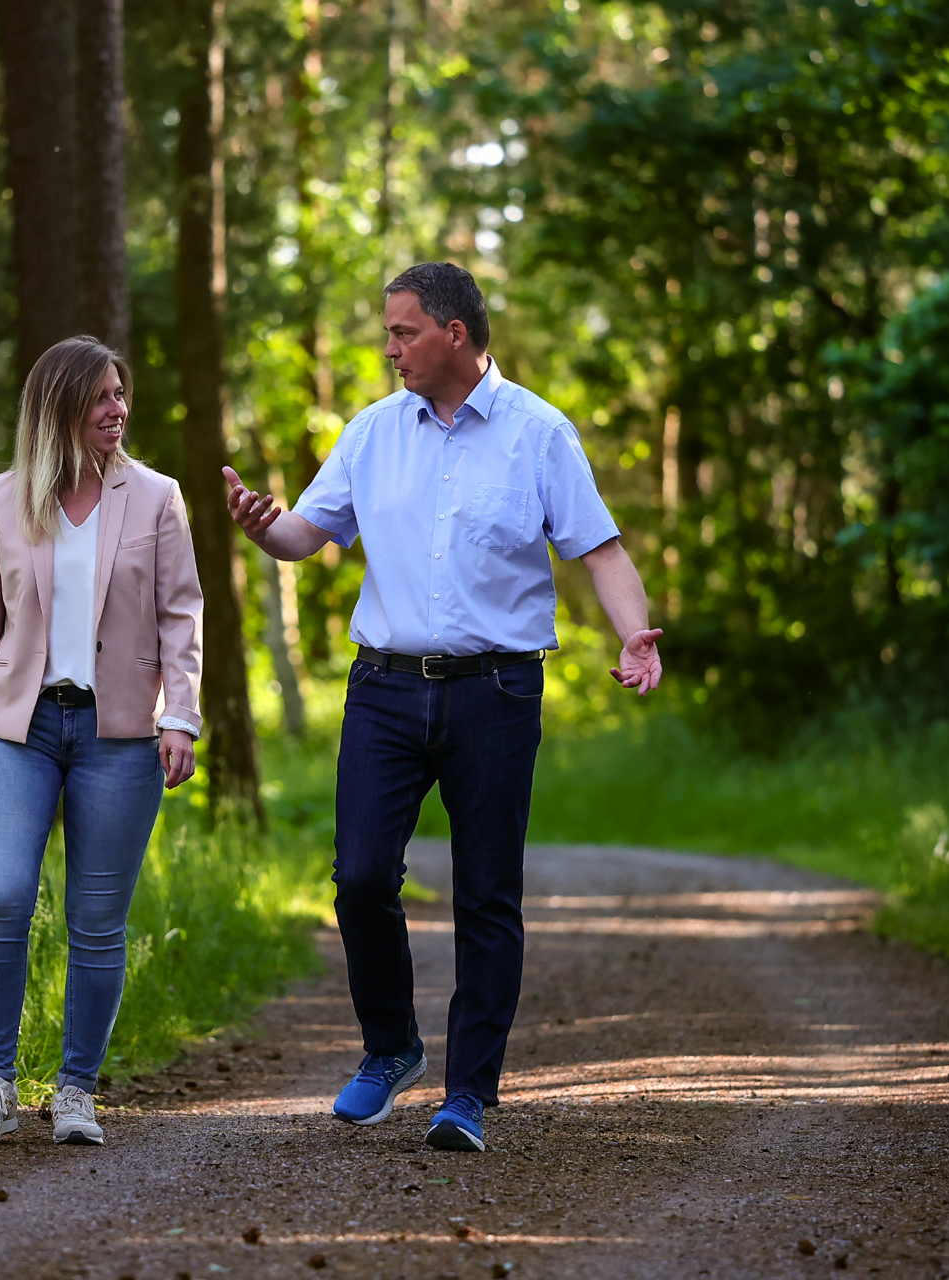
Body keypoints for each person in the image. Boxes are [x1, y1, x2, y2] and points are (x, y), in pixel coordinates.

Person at [224, 263, 662, 1153]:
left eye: (403, 331)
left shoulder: (540, 434)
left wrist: (635, 633)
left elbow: (602, 551)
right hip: (383, 688)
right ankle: (391, 1051)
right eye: (388, 332)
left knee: (487, 893)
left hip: (496, 693)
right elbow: (308, 536)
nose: (389, 349)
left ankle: (467, 1092)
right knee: (359, 878)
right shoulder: (372, 433)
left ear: (454, 334)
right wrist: (262, 526)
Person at [0, 336, 204, 1145]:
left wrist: (179, 717)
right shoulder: (3, 499)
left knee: (95, 918)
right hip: (16, 729)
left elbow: (181, 615)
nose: (118, 411)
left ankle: (77, 1090)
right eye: (101, 399)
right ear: (60, 409)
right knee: (3, 896)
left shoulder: (157, 497)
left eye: (122, 396)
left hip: (118, 735)